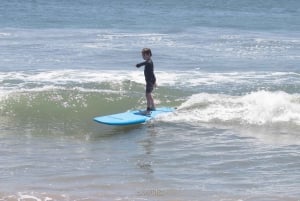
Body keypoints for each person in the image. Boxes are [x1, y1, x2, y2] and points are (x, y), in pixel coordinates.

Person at [136, 48, 156, 114]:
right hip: (150, 81)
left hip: (149, 81)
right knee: (149, 94)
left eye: (143, 55)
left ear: (148, 54)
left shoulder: (149, 62)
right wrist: (154, 81)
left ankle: (148, 110)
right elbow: (152, 72)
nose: (143, 57)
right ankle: (153, 107)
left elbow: (145, 63)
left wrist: (139, 65)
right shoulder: (150, 62)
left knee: (147, 95)